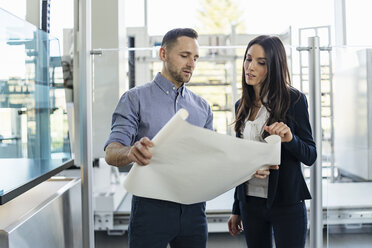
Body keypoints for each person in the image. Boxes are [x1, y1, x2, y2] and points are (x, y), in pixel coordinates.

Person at [104, 28, 213, 248]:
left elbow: (210, 157)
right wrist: (131, 151)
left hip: (193, 209)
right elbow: (111, 152)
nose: (191, 63)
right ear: (163, 54)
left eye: (195, 58)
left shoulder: (202, 107)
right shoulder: (135, 99)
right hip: (151, 209)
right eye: (184, 56)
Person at [227, 35, 317, 248]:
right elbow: (241, 159)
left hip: (286, 203)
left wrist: (290, 138)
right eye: (248, 59)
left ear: (274, 67)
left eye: (261, 63)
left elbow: (310, 155)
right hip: (250, 203)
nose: (250, 67)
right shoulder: (241, 105)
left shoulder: (293, 100)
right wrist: (236, 208)